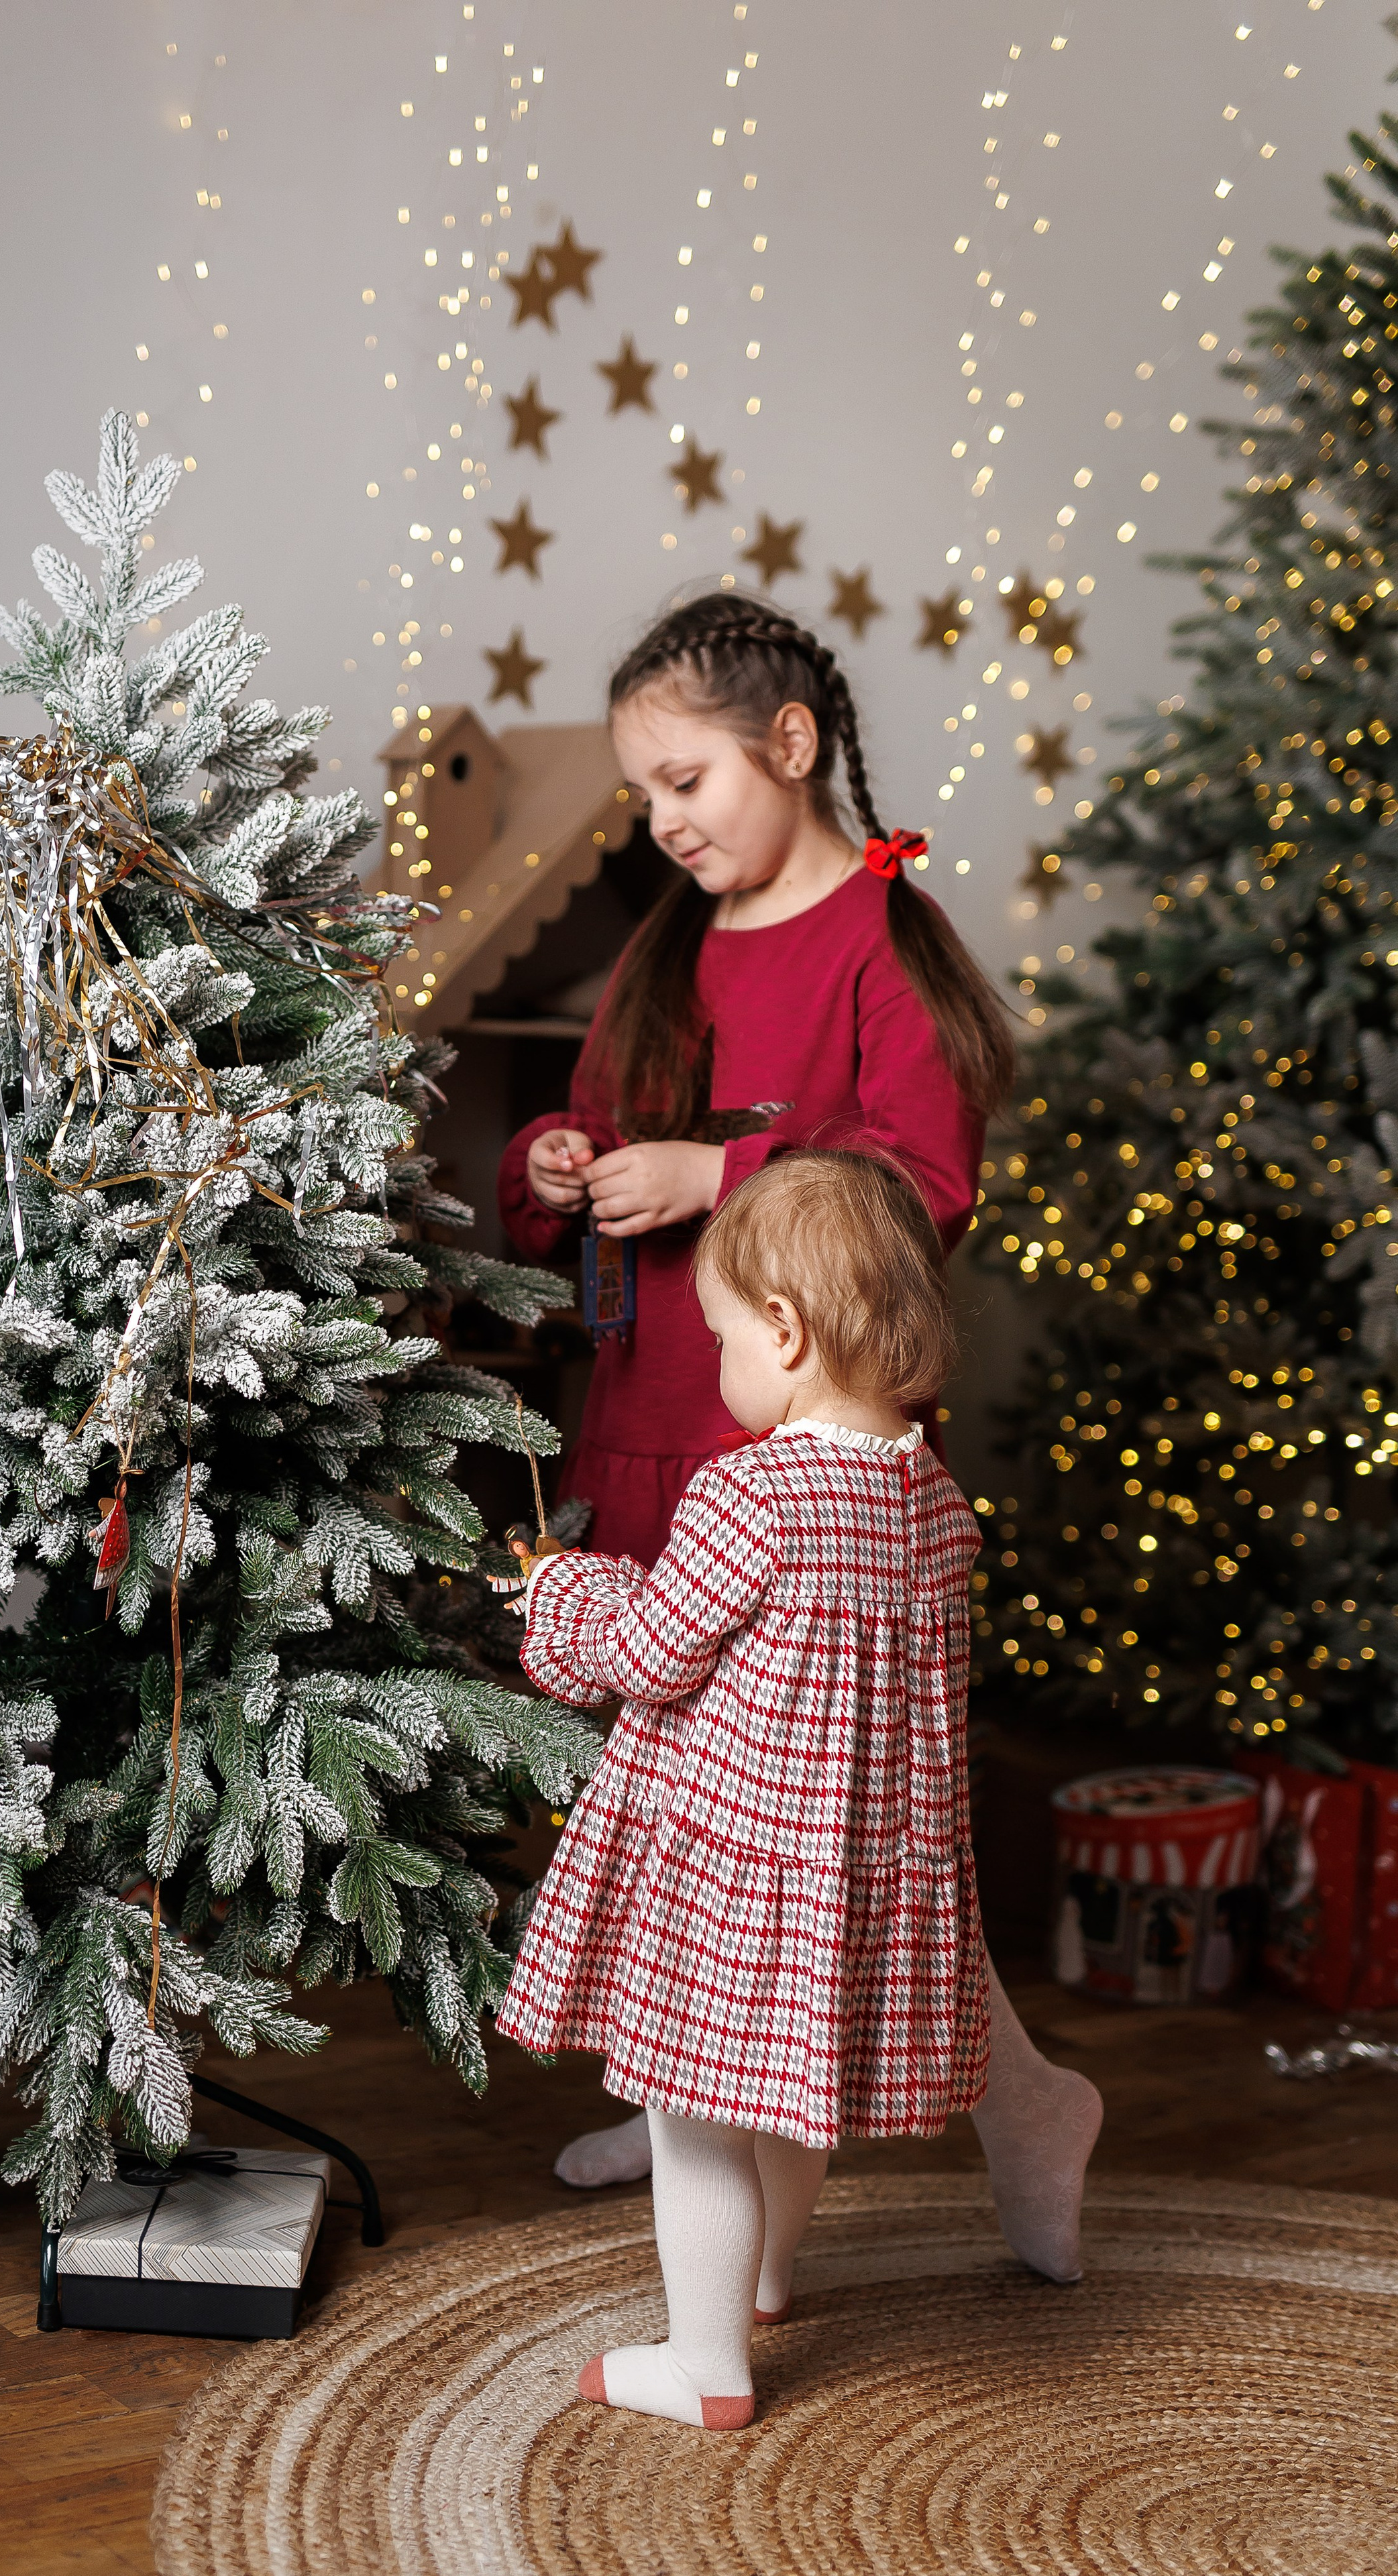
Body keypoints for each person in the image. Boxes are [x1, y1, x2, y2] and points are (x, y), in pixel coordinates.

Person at [498, 591, 1101, 2255]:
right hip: (652, 1421)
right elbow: (615, 1110)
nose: (665, 822)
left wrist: (725, 1177)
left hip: (795, 1460)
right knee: (677, 1796)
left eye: (685, 779)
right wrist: (563, 1161)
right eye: (644, 797)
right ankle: (681, 2083)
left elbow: (919, 1186)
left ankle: (1026, 2097)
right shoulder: (671, 938)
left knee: (840, 1825)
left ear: (790, 742)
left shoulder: (883, 939)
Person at [498, 1153, 988, 2426]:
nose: (718, 1362)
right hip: (859, 1864)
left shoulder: (754, 1489)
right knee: (791, 2088)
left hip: (736, 1861)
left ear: (786, 1330)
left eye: (721, 1335)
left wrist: (560, 1594)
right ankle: (768, 2274)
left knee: (693, 2110)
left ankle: (705, 2359)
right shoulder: (937, 1502)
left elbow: (653, 1652)